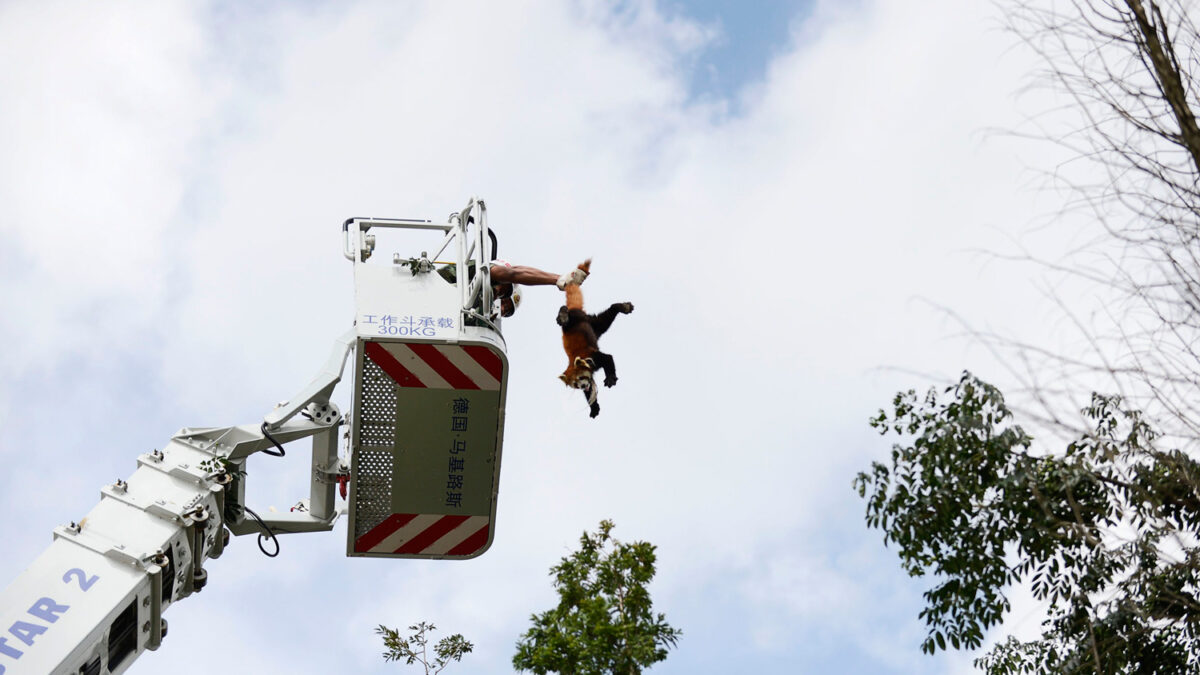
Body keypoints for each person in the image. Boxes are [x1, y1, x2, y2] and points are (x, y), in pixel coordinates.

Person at [489, 259, 587, 317]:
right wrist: (559, 279)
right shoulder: (482, 275)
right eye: (504, 304)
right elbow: (513, 273)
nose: (501, 310)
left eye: (506, 312)